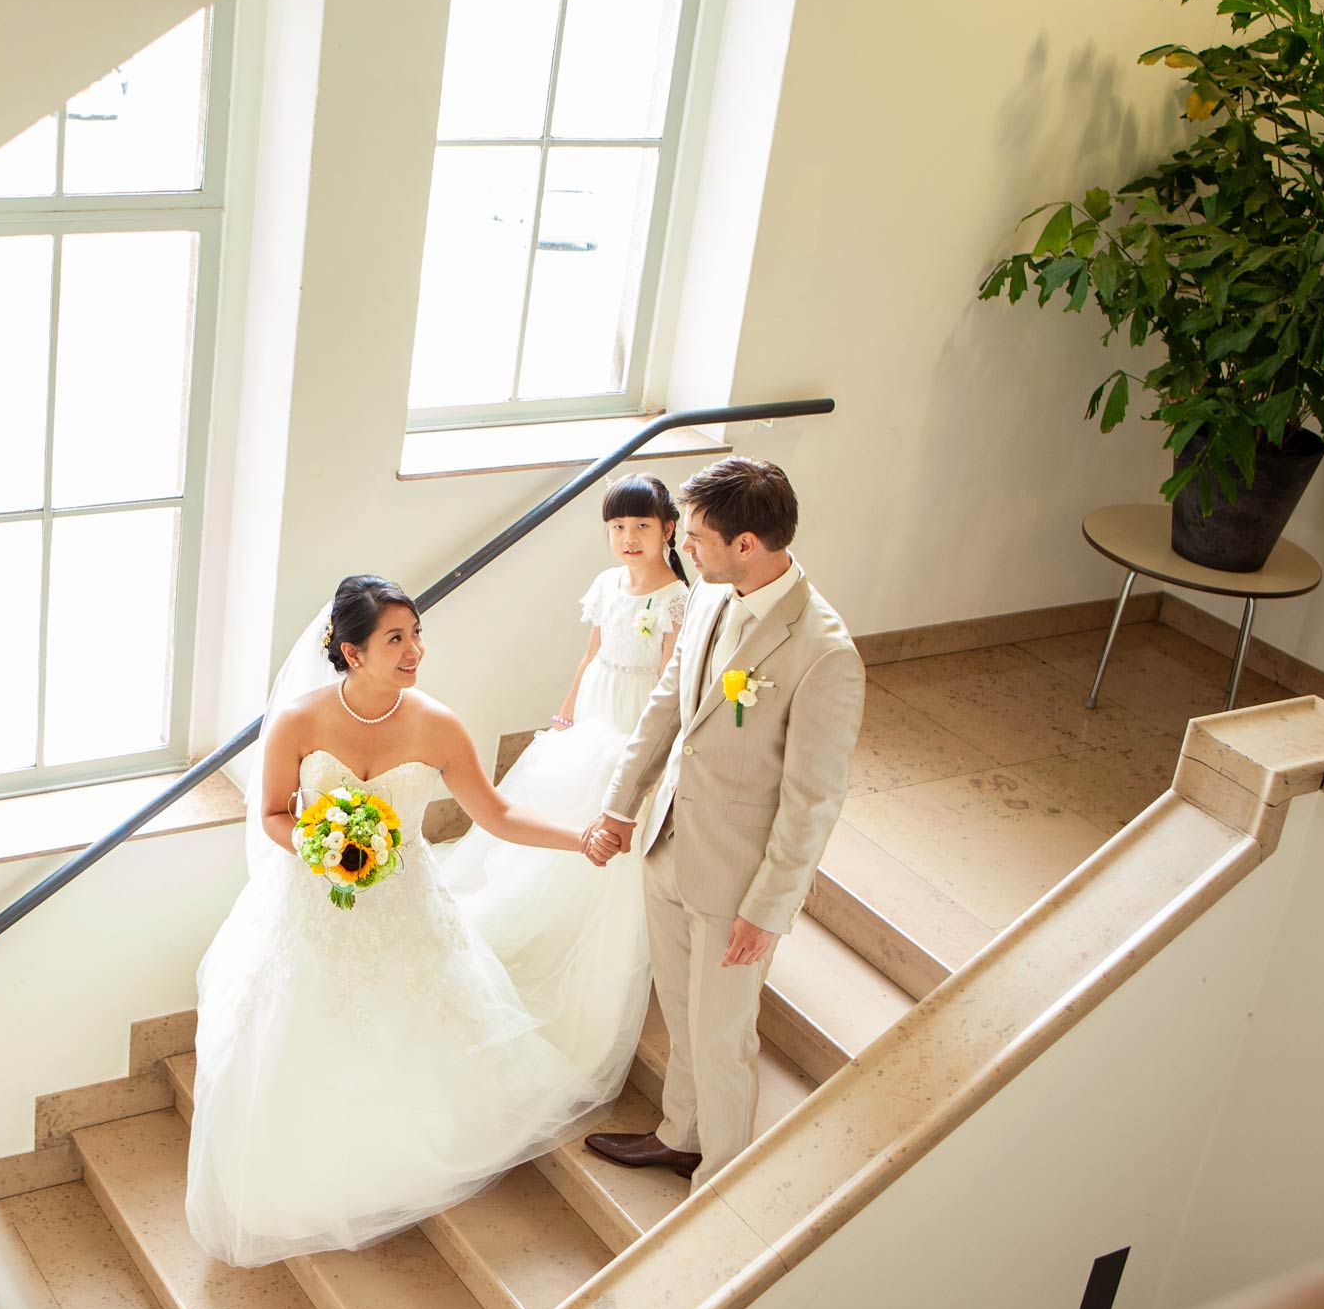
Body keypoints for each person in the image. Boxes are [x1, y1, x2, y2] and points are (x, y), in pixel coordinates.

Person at [185, 576, 603, 1267]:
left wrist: (579, 838)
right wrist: (324, 848)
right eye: (396, 638)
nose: (415, 650)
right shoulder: (298, 720)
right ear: (351, 652)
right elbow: (271, 815)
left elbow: (494, 814)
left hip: (405, 903)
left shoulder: (437, 724)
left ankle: (414, 1154)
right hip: (315, 902)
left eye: (415, 634)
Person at [582, 457, 866, 1190]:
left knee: (721, 1037)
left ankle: (725, 1187)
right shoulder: (710, 596)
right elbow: (665, 710)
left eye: (700, 536)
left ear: (747, 543)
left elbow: (812, 800)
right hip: (669, 842)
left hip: (737, 879)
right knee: (681, 1014)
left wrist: (767, 909)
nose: (687, 548)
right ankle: (681, 1135)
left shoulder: (824, 651)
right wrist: (619, 807)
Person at [443, 474, 691, 1097]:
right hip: (594, 715)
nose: (628, 539)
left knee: (602, 806)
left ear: (668, 529)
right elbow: (589, 658)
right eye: (617, 528)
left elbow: (668, 687)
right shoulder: (608, 586)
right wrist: (564, 717)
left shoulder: (674, 599)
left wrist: (647, 754)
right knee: (552, 803)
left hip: (632, 727)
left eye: (640, 526)